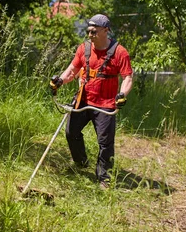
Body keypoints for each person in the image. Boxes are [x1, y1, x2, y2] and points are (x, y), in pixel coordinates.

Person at [49, 14, 133, 189]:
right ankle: (81, 163)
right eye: (88, 31)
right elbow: (73, 69)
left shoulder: (120, 52)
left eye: (94, 31)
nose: (90, 34)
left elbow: (127, 78)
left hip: (106, 104)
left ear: (106, 30)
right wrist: (60, 81)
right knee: (71, 132)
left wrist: (122, 94)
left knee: (105, 143)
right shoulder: (84, 49)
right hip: (84, 99)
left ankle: (104, 177)